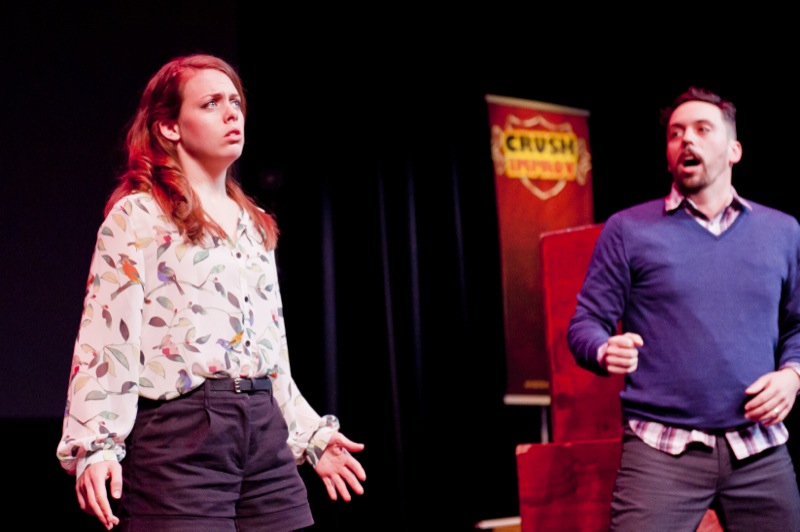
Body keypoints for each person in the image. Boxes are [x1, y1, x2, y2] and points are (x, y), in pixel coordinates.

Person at [56, 53, 366, 531]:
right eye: (211, 103)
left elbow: (271, 352)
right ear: (169, 127)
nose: (231, 114)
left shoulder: (254, 223)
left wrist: (309, 436)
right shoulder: (138, 216)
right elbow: (106, 339)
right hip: (183, 434)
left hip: (262, 428)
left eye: (236, 102)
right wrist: (97, 446)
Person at [567, 86, 800, 531]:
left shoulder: (783, 232)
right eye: (675, 133)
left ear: (734, 150)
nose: (686, 139)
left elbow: (797, 326)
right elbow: (586, 323)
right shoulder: (628, 230)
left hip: (759, 449)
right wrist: (602, 348)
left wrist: (793, 375)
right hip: (660, 449)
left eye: (701, 129)